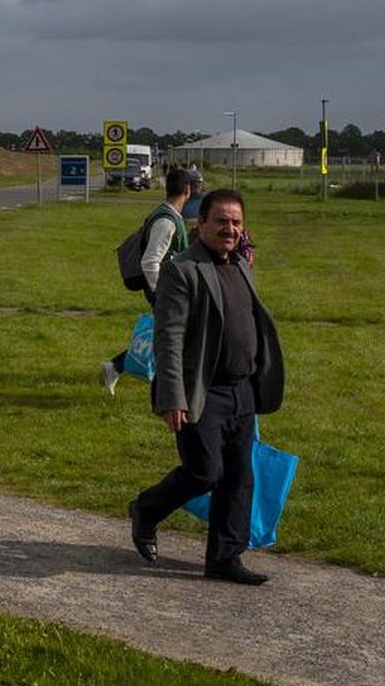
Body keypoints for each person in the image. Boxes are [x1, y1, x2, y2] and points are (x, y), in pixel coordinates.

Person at [126, 189, 285, 585]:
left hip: (241, 390)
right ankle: (146, 509)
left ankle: (224, 558)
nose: (229, 229)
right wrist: (172, 396)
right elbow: (170, 337)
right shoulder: (183, 270)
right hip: (202, 390)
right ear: (201, 225)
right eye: (221, 221)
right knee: (204, 472)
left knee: (238, 477)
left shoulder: (240, 265)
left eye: (236, 222)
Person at [101, 165, 194, 394]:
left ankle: (116, 366)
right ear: (188, 190)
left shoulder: (167, 214)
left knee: (167, 335)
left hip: (167, 287)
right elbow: (150, 261)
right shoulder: (167, 221)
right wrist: (161, 291)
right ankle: (121, 368)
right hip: (163, 288)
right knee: (171, 337)